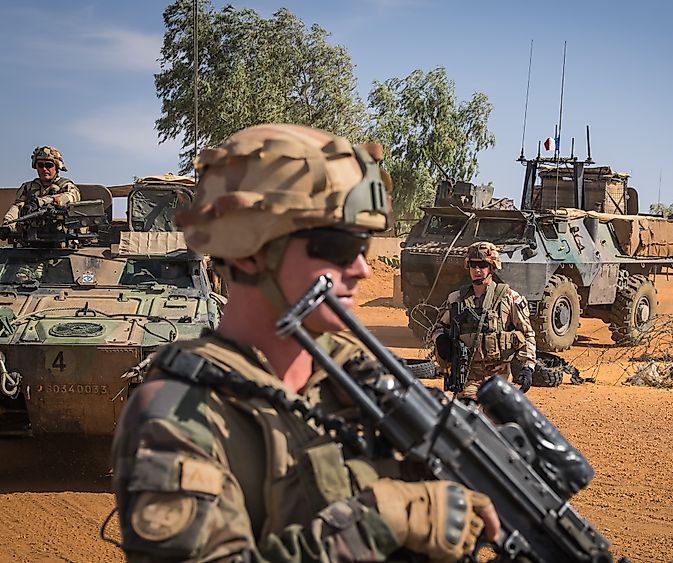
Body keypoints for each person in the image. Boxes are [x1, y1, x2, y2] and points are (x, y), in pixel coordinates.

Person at [111, 124, 499, 562]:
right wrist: (380, 521)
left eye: (365, 246)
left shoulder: (353, 371)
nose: (362, 269)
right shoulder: (177, 415)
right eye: (336, 245)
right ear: (249, 248)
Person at [431, 241, 536, 399]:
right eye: (473, 265)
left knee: (497, 420)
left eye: (482, 265)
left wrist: (528, 367)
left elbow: (527, 333)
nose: (477, 270)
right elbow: (438, 327)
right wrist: (441, 340)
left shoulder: (509, 298)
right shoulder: (456, 299)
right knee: (466, 416)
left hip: (498, 376)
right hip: (467, 375)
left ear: (492, 267)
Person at [2, 146, 80, 233]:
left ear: (57, 167)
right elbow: (17, 207)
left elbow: (70, 197)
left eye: (49, 165)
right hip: (31, 237)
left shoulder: (66, 185)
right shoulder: (28, 187)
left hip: (61, 236)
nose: (44, 169)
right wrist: (8, 224)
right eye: (40, 165)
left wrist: (41, 202)